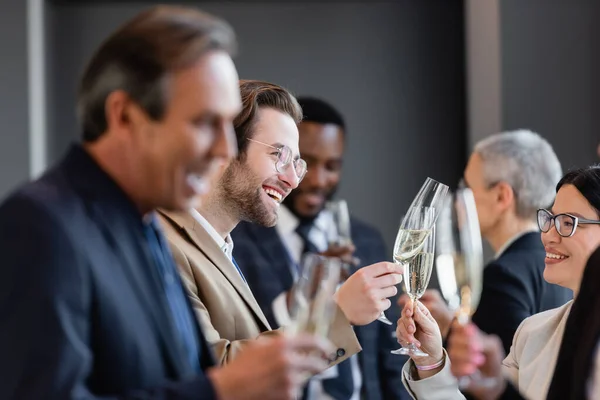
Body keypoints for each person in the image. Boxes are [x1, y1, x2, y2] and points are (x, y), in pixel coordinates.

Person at [0, 6, 332, 399]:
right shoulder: (42, 225)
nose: (224, 150)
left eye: (228, 127)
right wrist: (220, 391)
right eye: (204, 123)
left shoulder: (145, 228)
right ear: (124, 116)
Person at [158, 82, 400, 369]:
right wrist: (336, 315)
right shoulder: (164, 247)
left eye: (297, 164)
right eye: (279, 155)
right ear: (225, 146)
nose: (294, 180)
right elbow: (209, 373)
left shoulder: (219, 247)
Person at [232, 97, 409, 399]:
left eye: (332, 166)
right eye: (306, 163)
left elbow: (388, 356)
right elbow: (238, 345)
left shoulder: (365, 240)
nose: (317, 180)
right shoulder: (240, 237)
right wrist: (304, 293)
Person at [396, 165, 600, 400]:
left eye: (568, 223)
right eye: (551, 219)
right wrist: (431, 360)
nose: (548, 235)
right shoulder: (532, 333)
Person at [401, 130, 572, 355]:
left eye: (468, 188)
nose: (460, 202)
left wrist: (452, 333)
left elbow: (500, 377)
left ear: (502, 196)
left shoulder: (502, 277)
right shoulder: (562, 265)